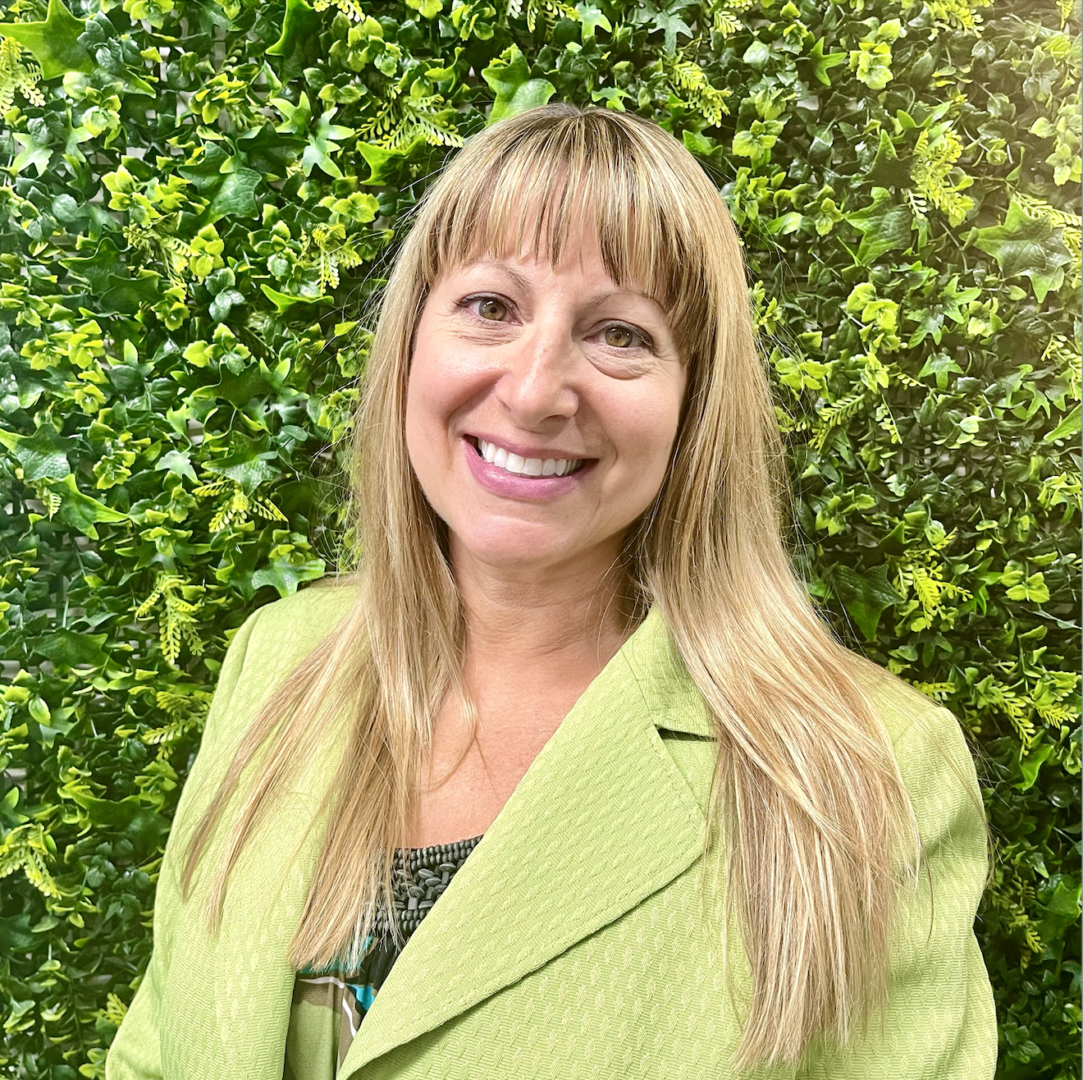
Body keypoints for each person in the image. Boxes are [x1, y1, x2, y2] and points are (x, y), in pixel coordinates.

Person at [105, 103, 997, 1080]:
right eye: (490, 306)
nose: (535, 392)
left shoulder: (866, 775)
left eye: (620, 333)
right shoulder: (278, 660)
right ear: (412, 344)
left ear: (693, 403)